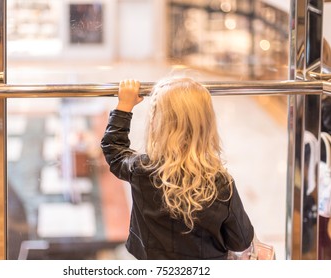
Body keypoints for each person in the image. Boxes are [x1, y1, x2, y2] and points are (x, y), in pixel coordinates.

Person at [101, 77, 254, 259]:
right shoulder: (219, 183)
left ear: (155, 125)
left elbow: (114, 151)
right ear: (207, 125)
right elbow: (240, 240)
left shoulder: (141, 170)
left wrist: (124, 106)